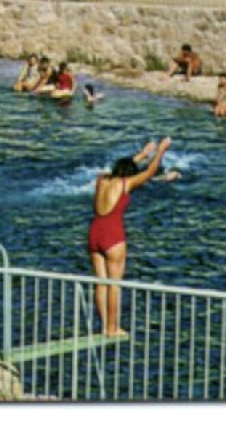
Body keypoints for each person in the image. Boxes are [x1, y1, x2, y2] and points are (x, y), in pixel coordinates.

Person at [88, 137, 172, 336]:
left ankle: (103, 327)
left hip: (94, 233)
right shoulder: (126, 184)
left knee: (101, 283)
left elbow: (123, 167)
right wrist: (161, 150)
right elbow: (150, 172)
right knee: (114, 285)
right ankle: (112, 328)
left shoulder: (101, 179)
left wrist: (142, 154)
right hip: (113, 235)